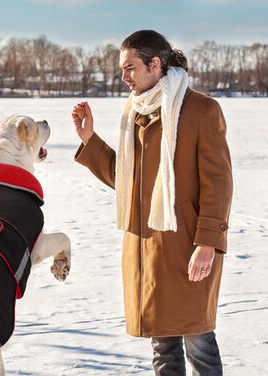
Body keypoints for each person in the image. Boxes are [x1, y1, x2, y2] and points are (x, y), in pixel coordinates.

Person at [71, 30, 232, 375]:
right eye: (122, 68)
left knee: (198, 342)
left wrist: (207, 244)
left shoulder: (202, 110)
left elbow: (218, 185)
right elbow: (129, 181)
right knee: (162, 348)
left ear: (155, 64)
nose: (123, 76)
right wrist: (90, 140)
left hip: (187, 247)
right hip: (148, 248)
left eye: (130, 68)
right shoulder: (136, 112)